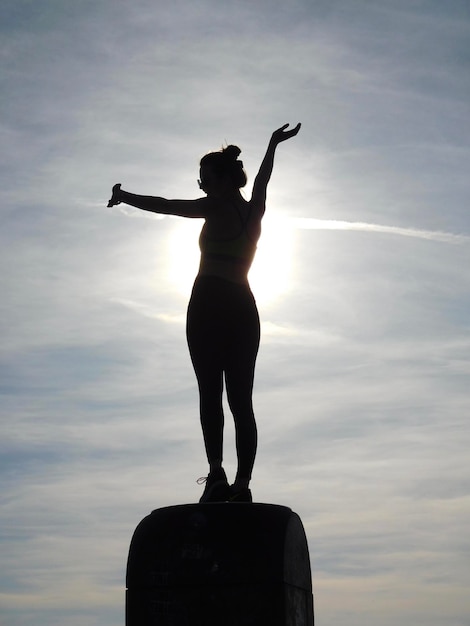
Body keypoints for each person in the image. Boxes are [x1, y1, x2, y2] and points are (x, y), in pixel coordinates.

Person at [107, 122, 301, 503]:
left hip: (210, 303)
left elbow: (167, 206)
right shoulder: (254, 210)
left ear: (222, 178)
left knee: (210, 393)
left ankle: (216, 474)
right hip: (244, 306)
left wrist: (124, 196)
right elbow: (262, 179)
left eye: (204, 177)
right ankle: (242, 486)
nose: (200, 184)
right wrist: (273, 145)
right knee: (241, 401)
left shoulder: (215, 206)